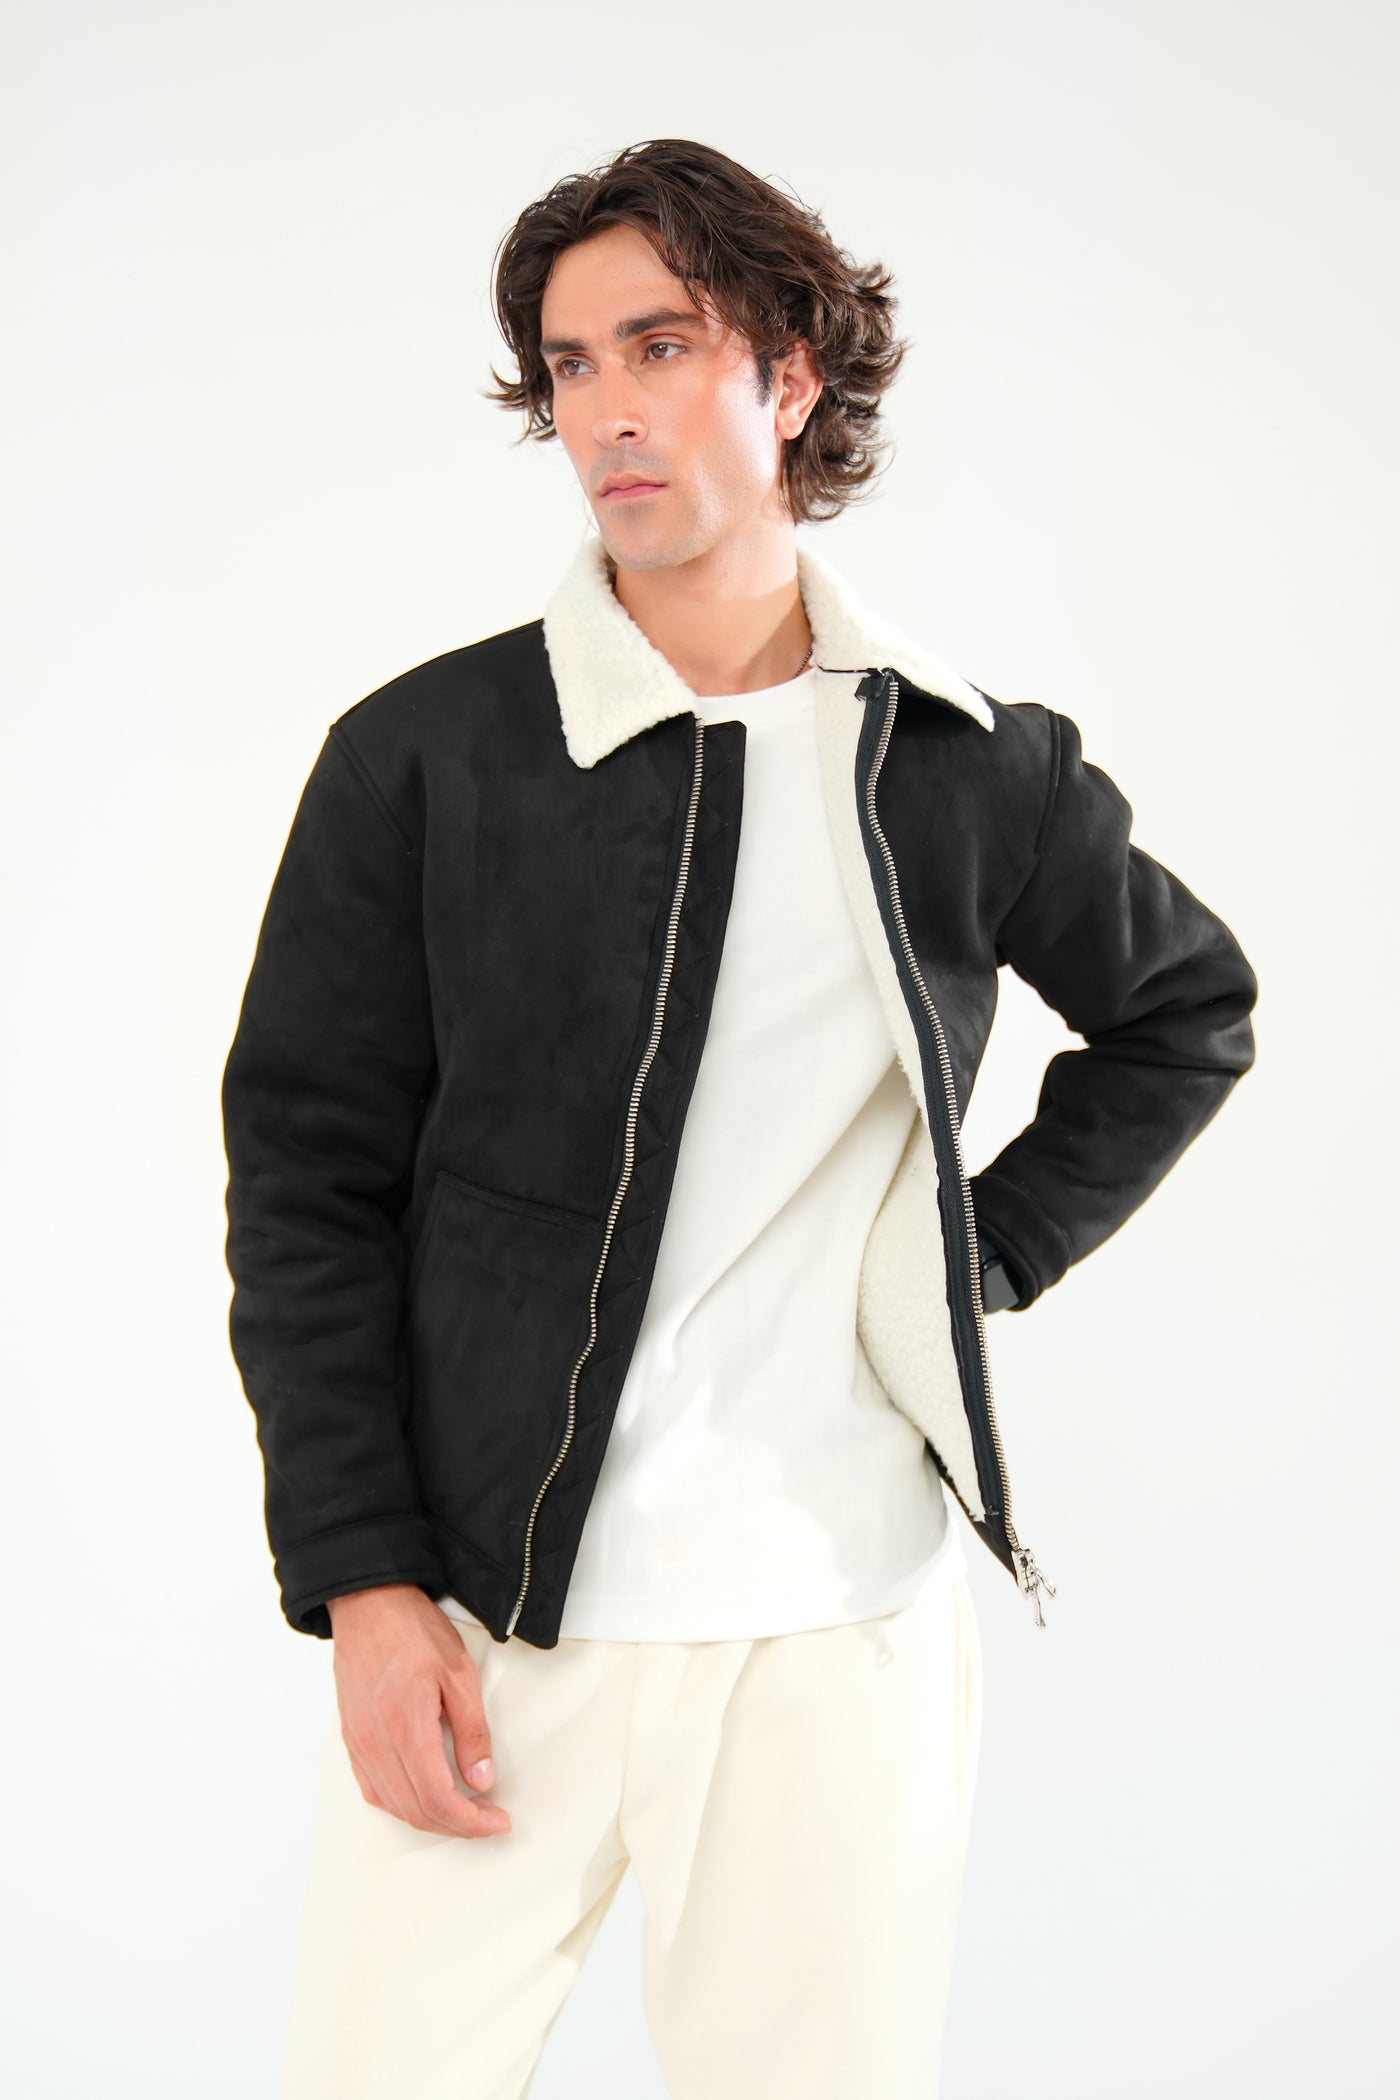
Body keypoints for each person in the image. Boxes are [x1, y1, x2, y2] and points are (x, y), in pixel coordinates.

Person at [221, 137, 1258, 2100]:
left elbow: (1185, 1012)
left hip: (835, 1626)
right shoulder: (427, 758)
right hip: (494, 1619)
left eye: (660, 345)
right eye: (570, 366)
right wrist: (363, 1583)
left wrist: (971, 1259)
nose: (605, 409)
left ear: (788, 374)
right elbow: (305, 1184)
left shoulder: (968, 770)